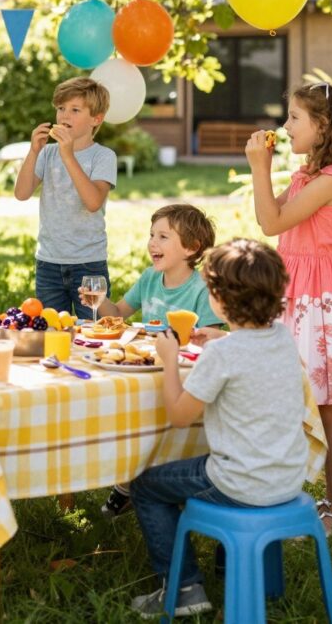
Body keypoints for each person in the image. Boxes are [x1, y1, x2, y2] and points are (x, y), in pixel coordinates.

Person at [128, 239, 309, 617]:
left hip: (241, 482)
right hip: (289, 478)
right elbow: (249, 352)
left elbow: (179, 415)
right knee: (193, 466)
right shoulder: (283, 338)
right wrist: (222, 335)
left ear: (219, 299)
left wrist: (170, 361)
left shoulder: (222, 355)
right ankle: (232, 571)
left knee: (145, 485)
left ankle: (184, 589)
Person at [248, 80, 332, 535]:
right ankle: (292, 492)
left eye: (294, 119)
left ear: (323, 126)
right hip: (294, 289)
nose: (285, 126)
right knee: (292, 393)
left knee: (330, 403)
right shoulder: (306, 176)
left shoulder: (328, 182)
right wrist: (267, 173)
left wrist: (258, 168)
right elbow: (269, 220)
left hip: (319, 296)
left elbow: (271, 221)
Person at [81, 203, 223, 519]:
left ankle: (139, 487)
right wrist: (100, 301)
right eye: (151, 235)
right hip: (145, 367)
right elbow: (118, 314)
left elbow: (210, 340)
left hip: (183, 374)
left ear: (191, 247)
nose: (152, 243)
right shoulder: (149, 279)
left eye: (163, 236)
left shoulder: (202, 288)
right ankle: (127, 482)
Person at [13, 77, 117, 318]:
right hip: (48, 262)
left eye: (74, 110)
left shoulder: (103, 156)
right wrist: (34, 151)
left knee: (92, 332)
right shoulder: (48, 153)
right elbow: (21, 193)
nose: (64, 115)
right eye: (61, 108)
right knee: (51, 331)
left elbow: (93, 203)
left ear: (96, 119)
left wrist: (68, 155)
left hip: (89, 264)